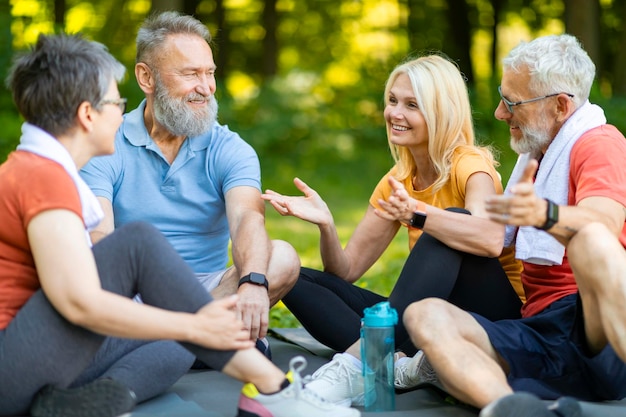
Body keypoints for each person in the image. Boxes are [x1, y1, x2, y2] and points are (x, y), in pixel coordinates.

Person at [0, 32, 360, 417]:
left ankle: (87, 404)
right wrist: (194, 325)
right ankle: (273, 390)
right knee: (139, 248)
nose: (121, 112)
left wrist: (190, 327)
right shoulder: (42, 178)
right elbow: (78, 298)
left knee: (175, 343)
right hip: (15, 366)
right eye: (114, 102)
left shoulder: (41, 171)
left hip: (41, 360)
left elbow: (247, 219)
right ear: (88, 114)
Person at [261, 54, 525, 406]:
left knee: (447, 226)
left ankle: (355, 366)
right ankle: (398, 363)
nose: (395, 113)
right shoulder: (397, 181)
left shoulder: (470, 165)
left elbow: (490, 239)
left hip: (495, 318)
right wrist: (326, 224)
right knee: (294, 275)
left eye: (411, 105)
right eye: (392, 101)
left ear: (440, 112)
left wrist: (419, 214)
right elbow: (345, 271)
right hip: (426, 314)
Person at [401, 34, 626, 417]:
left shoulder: (598, 143)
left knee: (591, 240)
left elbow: (604, 223)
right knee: (422, 314)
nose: (500, 114)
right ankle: (508, 408)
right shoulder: (537, 154)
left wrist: (544, 214)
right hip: (540, 329)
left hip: (596, 326)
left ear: (559, 106)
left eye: (512, 102)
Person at [80, 11, 299, 354]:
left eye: (209, 73)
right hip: (136, 292)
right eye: (190, 73)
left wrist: (253, 282)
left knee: (282, 257)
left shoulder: (229, 148)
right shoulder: (107, 142)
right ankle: (200, 341)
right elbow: (100, 240)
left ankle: (175, 342)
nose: (206, 87)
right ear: (146, 78)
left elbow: (247, 219)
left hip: (209, 290)